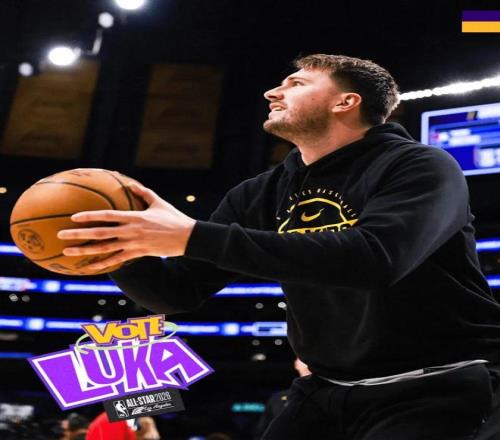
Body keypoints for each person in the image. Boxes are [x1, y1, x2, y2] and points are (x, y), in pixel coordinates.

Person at [58, 53, 500, 439]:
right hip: (327, 388)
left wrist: (192, 235)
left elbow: (376, 259)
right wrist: (116, 249)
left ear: (345, 102)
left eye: (296, 83)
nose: (272, 92)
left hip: (437, 382)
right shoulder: (261, 193)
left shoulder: (421, 165)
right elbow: (176, 292)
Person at [253, 358, 311, 439]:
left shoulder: (327, 395)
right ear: (296, 364)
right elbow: (262, 432)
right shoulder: (277, 399)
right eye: (302, 358)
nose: (307, 362)